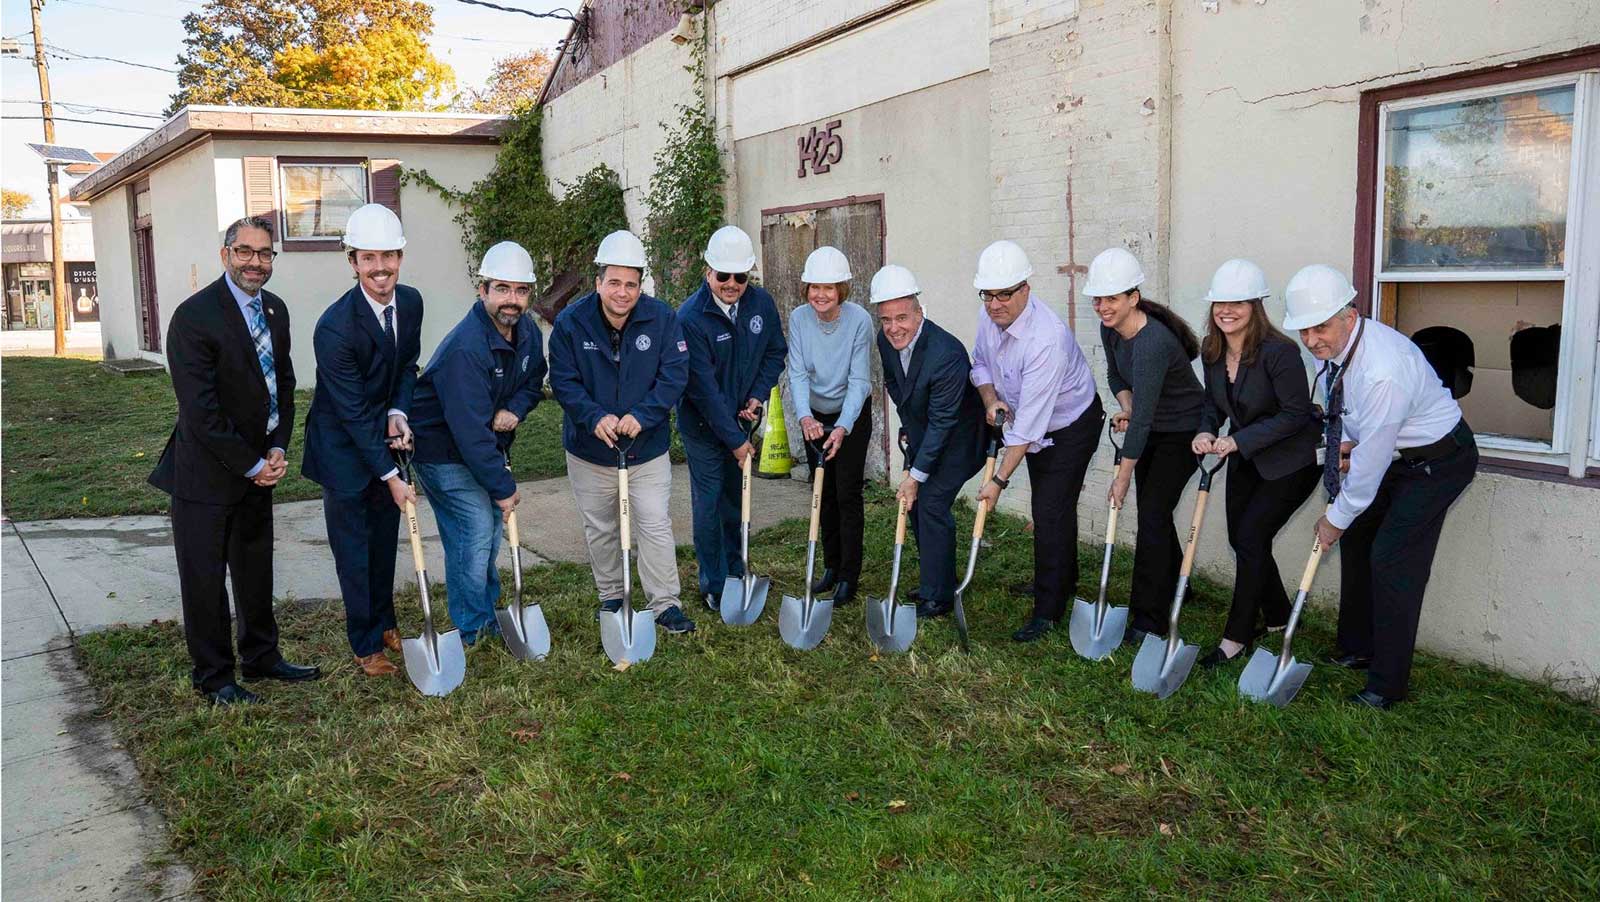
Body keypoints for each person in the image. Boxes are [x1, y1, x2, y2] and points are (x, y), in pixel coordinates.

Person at [1283, 264, 1477, 710]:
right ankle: (1357, 646)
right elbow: (1355, 420)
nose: (1312, 340)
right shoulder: (1337, 349)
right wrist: (1346, 448)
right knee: (1358, 541)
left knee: (1391, 559)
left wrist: (1334, 517)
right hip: (1396, 453)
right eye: (1304, 331)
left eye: (1321, 328)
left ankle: (1386, 685)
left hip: (1440, 461)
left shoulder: (1382, 369)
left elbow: (1368, 466)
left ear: (1349, 315)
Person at [149, 216, 321, 706]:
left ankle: (262, 656)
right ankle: (215, 678)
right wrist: (251, 463)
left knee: (254, 569)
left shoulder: (276, 309)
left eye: (265, 253)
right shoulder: (194, 316)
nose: (256, 262)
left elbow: (283, 386)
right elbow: (200, 412)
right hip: (205, 475)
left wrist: (278, 448)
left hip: (259, 470)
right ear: (226, 254)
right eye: (245, 252)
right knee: (204, 580)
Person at [549, 231, 696, 633]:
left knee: (654, 522)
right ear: (598, 283)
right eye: (614, 282)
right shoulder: (571, 323)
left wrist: (644, 415)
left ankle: (665, 604)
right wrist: (594, 417)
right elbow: (563, 380)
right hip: (590, 450)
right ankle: (612, 597)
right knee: (601, 527)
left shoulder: (662, 319)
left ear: (640, 286)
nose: (622, 292)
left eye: (631, 284)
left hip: (646, 448)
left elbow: (674, 375)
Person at [301, 203, 422, 677]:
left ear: (400, 257)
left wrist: (398, 410)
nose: (380, 269)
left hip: (379, 434)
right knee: (354, 550)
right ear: (352, 262)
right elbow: (350, 413)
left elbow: (406, 366)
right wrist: (391, 475)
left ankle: (386, 619)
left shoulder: (410, 302)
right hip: (343, 450)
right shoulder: (334, 328)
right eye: (368, 259)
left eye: (388, 257)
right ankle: (365, 642)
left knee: (383, 540)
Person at [407, 242, 545, 646]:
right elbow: (468, 433)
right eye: (502, 289)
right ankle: (472, 625)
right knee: (475, 526)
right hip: (441, 450)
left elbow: (536, 378)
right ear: (482, 290)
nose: (512, 300)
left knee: (482, 531)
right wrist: (502, 489)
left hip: (481, 444)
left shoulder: (528, 333)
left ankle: (484, 607)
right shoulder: (466, 348)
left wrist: (516, 408)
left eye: (520, 291)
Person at [968, 240, 1105, 642]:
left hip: (1071, 425)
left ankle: (1048, 609)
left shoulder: (1046, 339)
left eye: (1004, 294)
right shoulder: (988, 315)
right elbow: (979, 363)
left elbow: (1028, 426)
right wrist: (991, 397)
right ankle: (1062, 580)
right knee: (1052, 509)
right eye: (988, 294)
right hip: (1030, 424)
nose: (995, 304)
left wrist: (997, 482)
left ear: (1025, 289)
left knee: (1049, 510)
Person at [1190, 259, 1320, 667]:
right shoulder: (1212, 352)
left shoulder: (1281, 353)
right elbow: (1213, 404)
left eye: (1237, 303)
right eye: (1219, 304)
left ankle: (1237, 636)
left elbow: (1295, 414)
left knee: (1250, 538)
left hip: (1292, 461)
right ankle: (1279, 616)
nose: (1226, 311)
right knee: (1243, 539)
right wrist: (1205, 431)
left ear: (1255, 306)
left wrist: (1237, 440)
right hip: (1244, 453)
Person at [1088, 247, 1206, 645]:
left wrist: (1121, 476)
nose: (1103, 307)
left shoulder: (1152, 340)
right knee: (1155, 512)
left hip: (1184, 433)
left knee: (1152, 514)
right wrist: (1126, 404)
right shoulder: (1111, 330)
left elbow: (1143, 421)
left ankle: (1149, 619)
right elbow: (1115, 376)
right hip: (1152, 426)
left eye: (1112, 299)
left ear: (1133, 298)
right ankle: (1178, 584)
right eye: (1099, 299)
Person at [676, 225, 788, 610]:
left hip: (741, 419)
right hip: (704, 427)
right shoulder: (691, 317)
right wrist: (738, 442)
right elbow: (702, 389)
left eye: (740, 276)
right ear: (708, 271)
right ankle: (714, 583)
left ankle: (738, 572)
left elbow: (775, 353)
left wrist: (757, 396)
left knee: (735, 501)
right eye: (723, 275)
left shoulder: (761, 304)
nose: (731, 284)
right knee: (708, 501)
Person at [871, 265, 988, 619]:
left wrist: (914, 474)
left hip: (962, 440)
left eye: (902, 317)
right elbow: (896, 386)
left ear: (919, 313)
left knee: (931, 501)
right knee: (919, 504)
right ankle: (937, 578)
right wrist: (909, 428)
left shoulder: (947, 354)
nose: (894, 328)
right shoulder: (885, 341)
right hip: (931, 432)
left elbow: (943, 423)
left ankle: (938, 598)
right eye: (886, 319)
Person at [786, 245, 874, 605]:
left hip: (851, 414)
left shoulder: (859, 320)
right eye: (814, 287)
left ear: (842, 289)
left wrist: (842, 427)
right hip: (815, 417)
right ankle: (831, 566)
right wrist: (806, 417)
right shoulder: (798, 319)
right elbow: (797, 372)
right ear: (806, 288)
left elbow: (859, 380)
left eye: (829, 287)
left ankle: (849, 576)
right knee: (822, 492)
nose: (820, 295)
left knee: (847, 492)